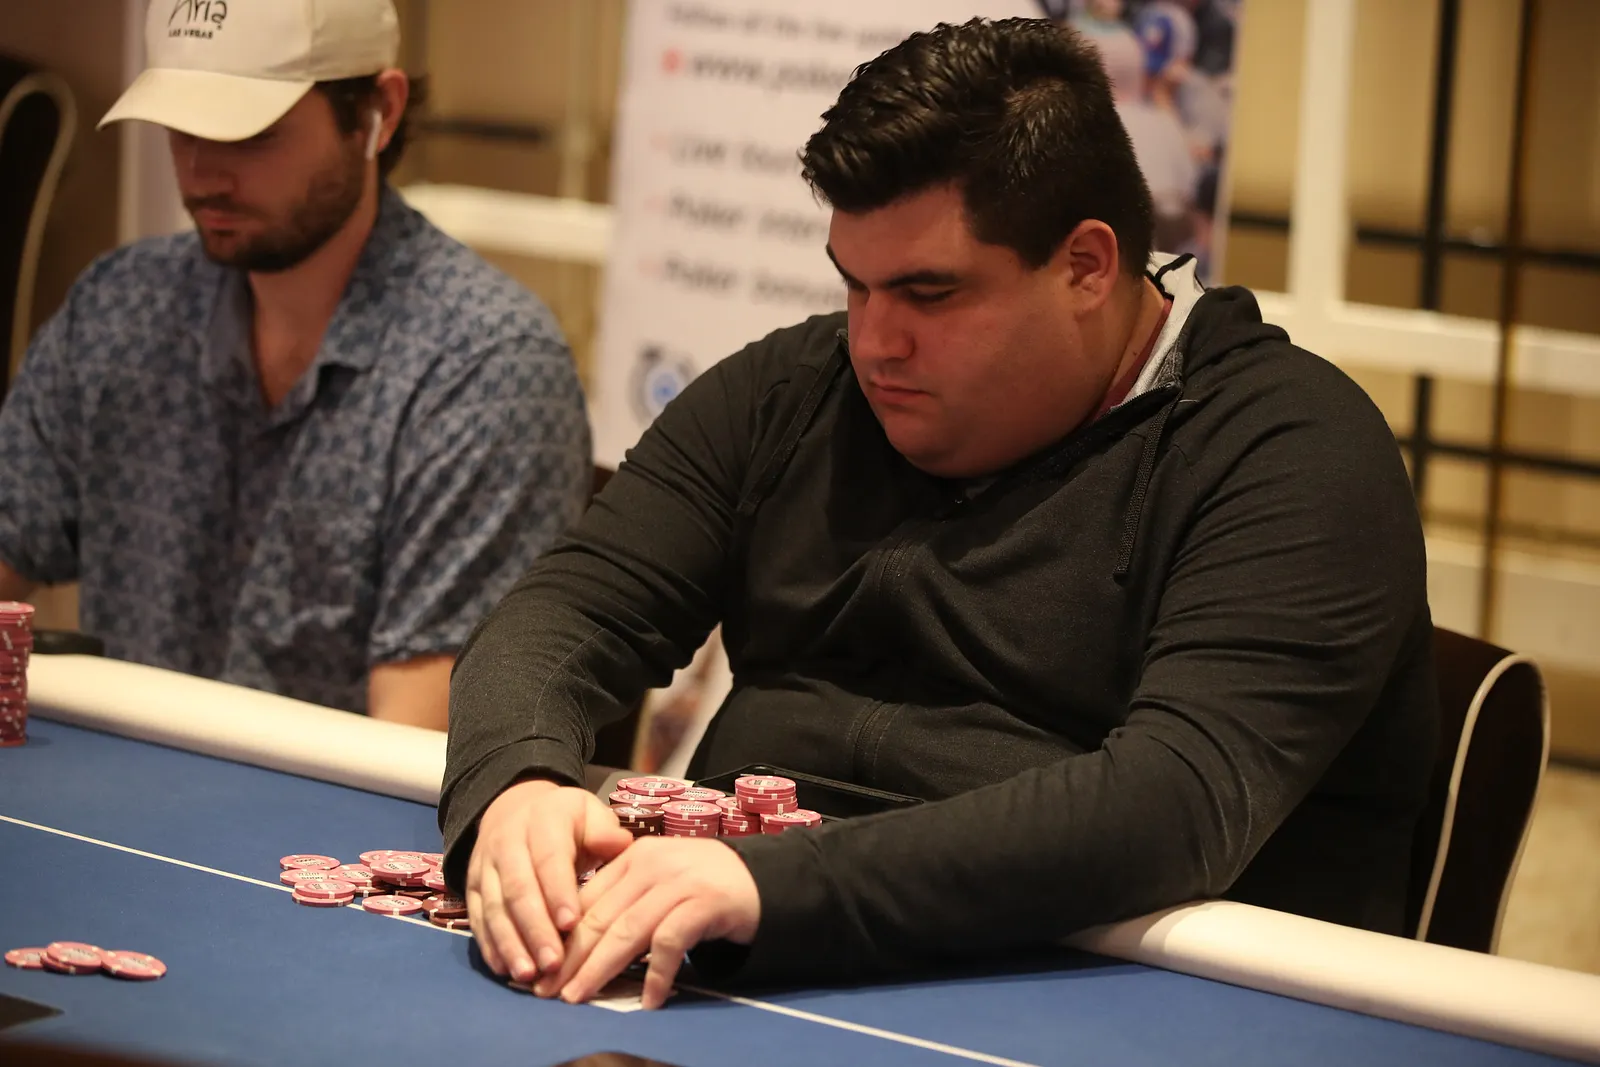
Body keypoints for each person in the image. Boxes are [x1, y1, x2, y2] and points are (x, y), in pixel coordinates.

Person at [441, 17, 1437, 1008]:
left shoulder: (1291, 450)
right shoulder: (791, 389)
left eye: (929, 292)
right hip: (738, 961)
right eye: (855, 285)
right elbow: (564, 613)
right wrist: (516, 779)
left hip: (1123, 998)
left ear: (1087, 266)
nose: (875, 341)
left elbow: (1175, 802)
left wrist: (768, 886)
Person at [0, 0, 590, 729]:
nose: (203, 173)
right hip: (120, 784)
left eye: (249, 134)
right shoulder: (121, 307)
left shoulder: (486, 369)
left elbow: (414, 752)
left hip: (333, 804)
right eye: (180, 129)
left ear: (378, 112)